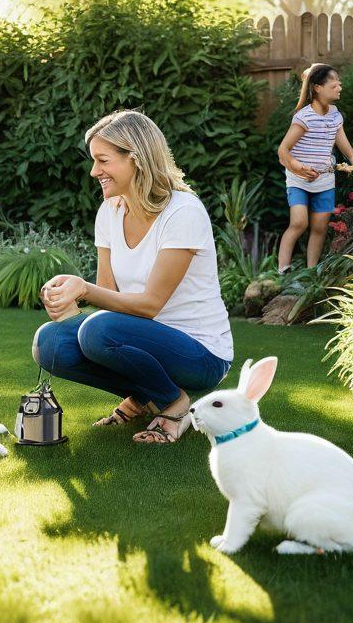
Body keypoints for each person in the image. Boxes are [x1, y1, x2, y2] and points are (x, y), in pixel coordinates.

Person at [33, 110, 233, 445]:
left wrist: (85, 290)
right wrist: (72, 296)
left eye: (104, 160)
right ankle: (145, 395)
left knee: (98, 330)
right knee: (50, 342)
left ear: (136, 159)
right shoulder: (110, 211)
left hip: (200, 354)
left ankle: (174, 403)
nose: (94, 171)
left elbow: (150, 305)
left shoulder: (183, 212)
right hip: (141, 339)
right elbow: (108, 295)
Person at [276, 63, 353, 273]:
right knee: (298, 223)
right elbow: (283, 150)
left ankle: (310, 273)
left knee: (320, 227)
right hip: (298, 179)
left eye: (339, 84)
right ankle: (282, 271)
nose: (339, 88)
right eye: (334, 85)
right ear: (317, 88)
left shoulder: (334, 115)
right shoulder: (304, 117)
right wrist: (298, 167)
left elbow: (341, 140)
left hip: (324, 178)